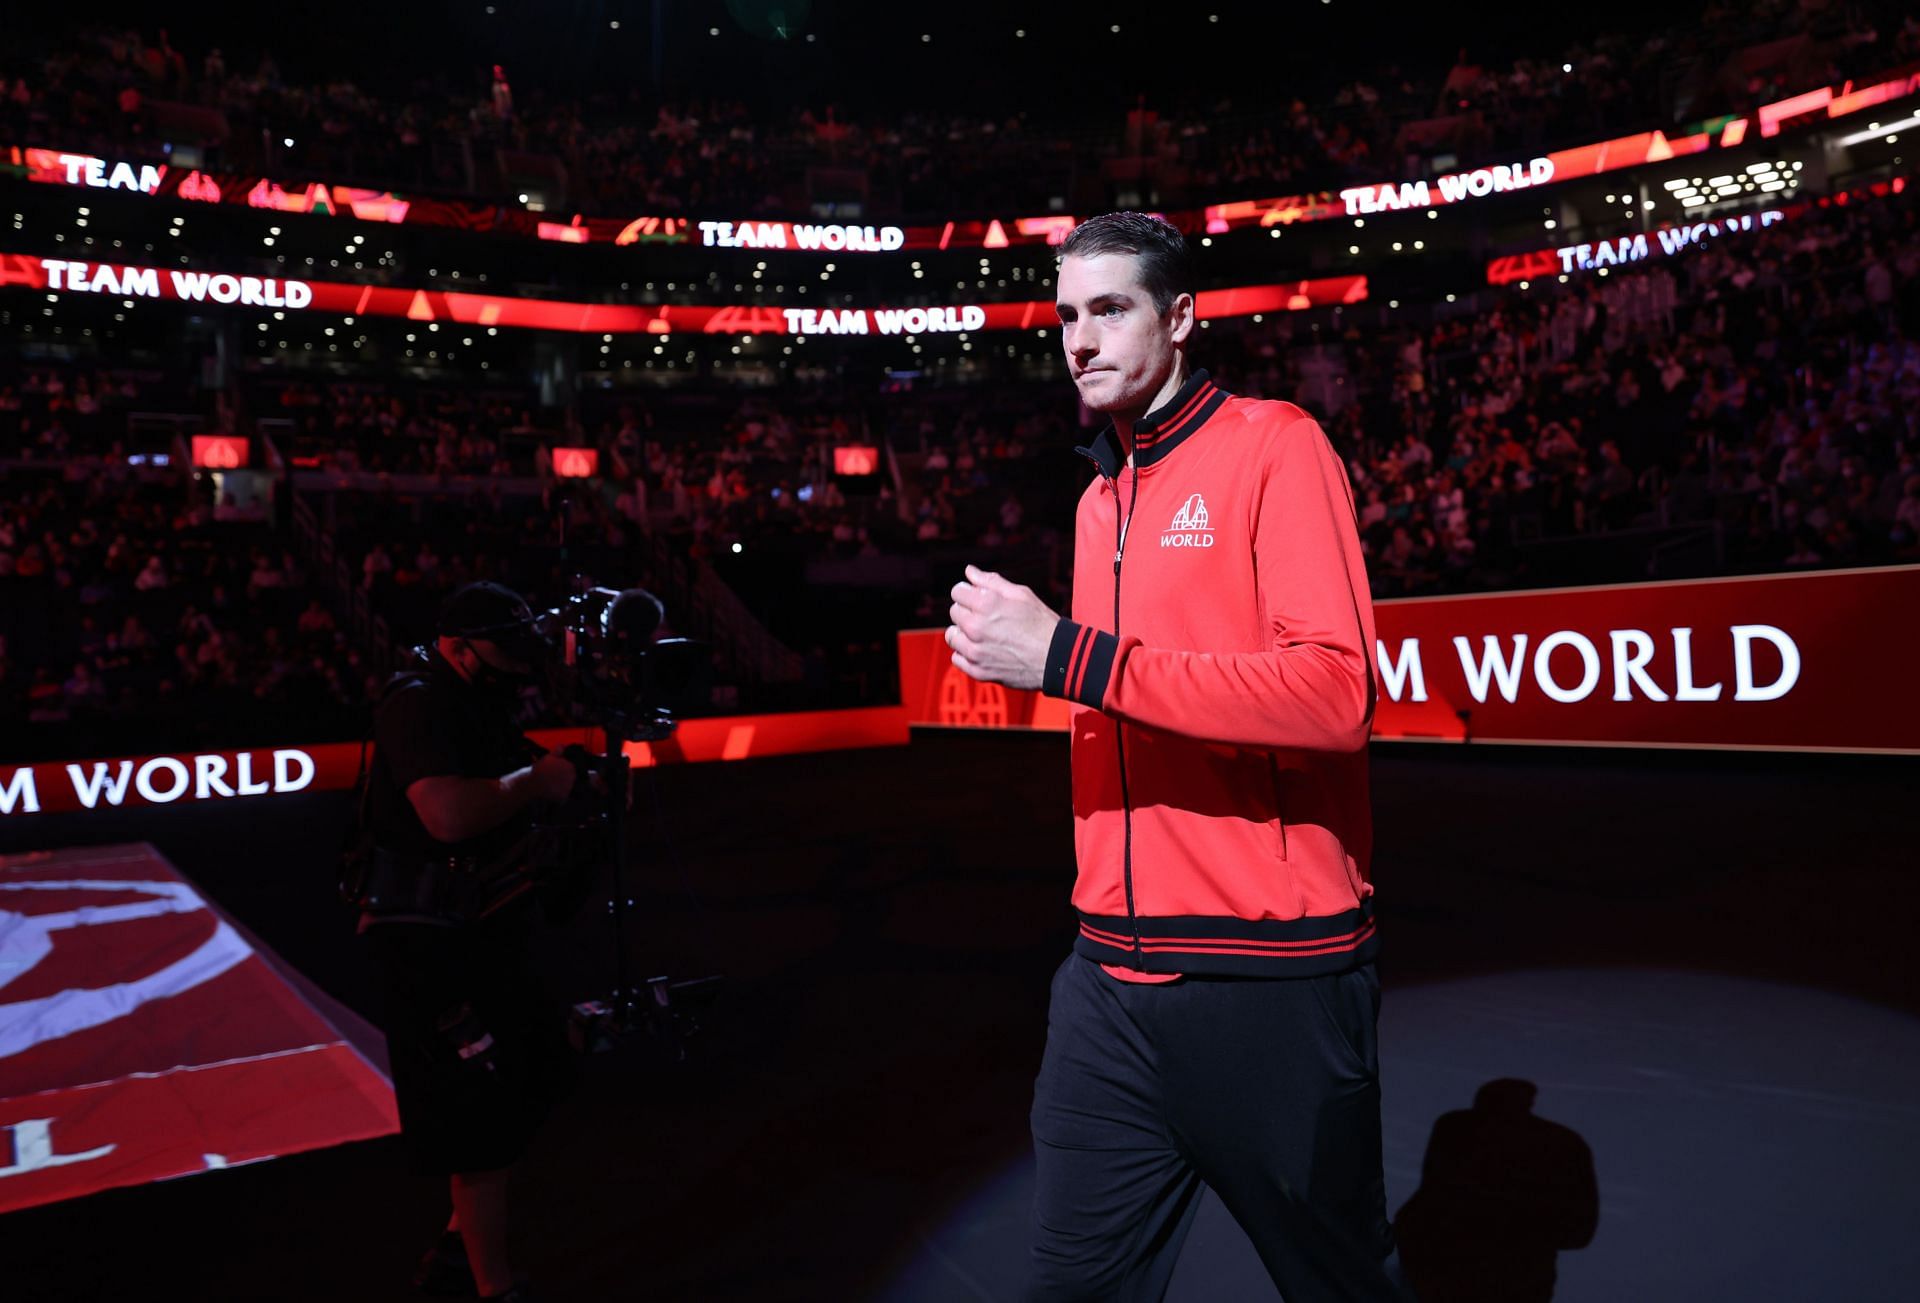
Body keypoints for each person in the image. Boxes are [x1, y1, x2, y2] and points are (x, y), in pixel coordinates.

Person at [946, 212, 1400, 1301]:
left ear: (1183, 318)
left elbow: (1336, 697)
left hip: (1270, 982)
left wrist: (1069, 654)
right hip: (1105, 983)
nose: (1079, 340)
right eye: (1065, 315)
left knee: (1341, 1286)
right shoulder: (1098, 494)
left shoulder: (1274, 444)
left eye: (1110, 309)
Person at [357, 581, 581, 1303]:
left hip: (476, 928)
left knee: (536, 1067)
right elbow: (447, 814)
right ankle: (493, 1286)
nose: (518, 668)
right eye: (502, 652)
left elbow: (527, 767)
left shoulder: (473, 697)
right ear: (456, 647)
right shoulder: (417, 700)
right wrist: (539, 782)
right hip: (422, 942)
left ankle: (463, 1238)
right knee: (478, 1118)